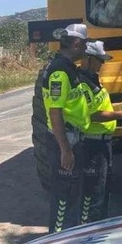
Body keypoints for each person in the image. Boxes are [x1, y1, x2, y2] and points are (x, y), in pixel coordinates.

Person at [78, 41, 122, 224]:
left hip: (103, 143)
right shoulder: (81, 84)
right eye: (99, 60)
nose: (102, 64)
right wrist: (120, 115)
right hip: (91, 145)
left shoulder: (93, 80)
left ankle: (100, 228)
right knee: (93, 194)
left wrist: (120, 106)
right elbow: (92, 115)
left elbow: (101, 106)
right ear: (87, 59)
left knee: (103, 191)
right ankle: (89, 233)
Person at [39, 23, 91, 233]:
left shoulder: (69, 69)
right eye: (85, 44)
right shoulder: (59, 72)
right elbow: (55, 112)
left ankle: (67, 242)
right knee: (64, 200)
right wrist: (65, 150)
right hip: (65, 140)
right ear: (77, 43)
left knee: (72, 198)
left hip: (73, 138)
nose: (86, 49)